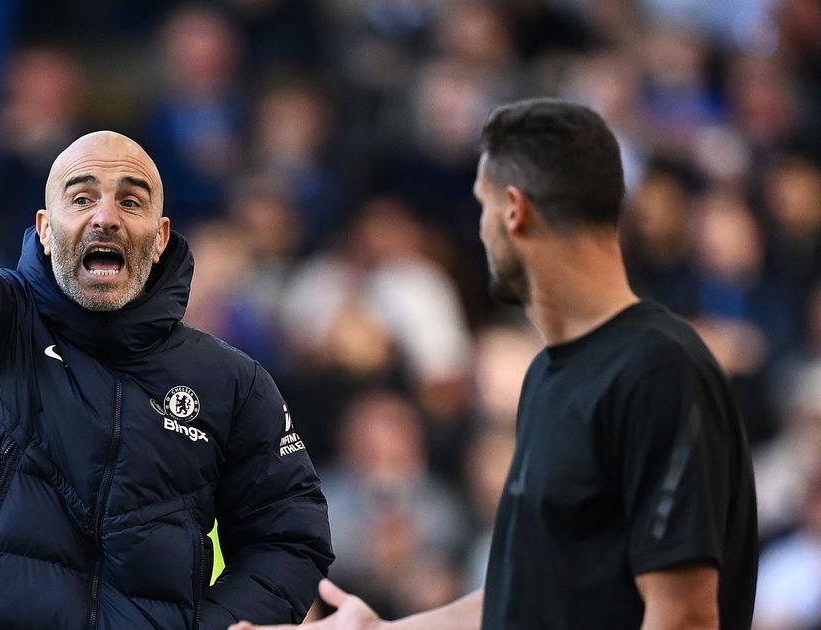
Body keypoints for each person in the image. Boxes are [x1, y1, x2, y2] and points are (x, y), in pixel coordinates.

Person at [235, 99, 757, 629]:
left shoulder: (657, 370)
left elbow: (687, 615)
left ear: (515, 210)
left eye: (481, 207)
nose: (479, 231)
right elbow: (522, 597)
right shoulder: (551, 380)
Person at [0, 72, 333, 628]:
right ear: (43, 228)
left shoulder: (232, 383)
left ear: (160, 238)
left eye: (130, 202)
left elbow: (289, 537)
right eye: (81, 196)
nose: (105, 216)